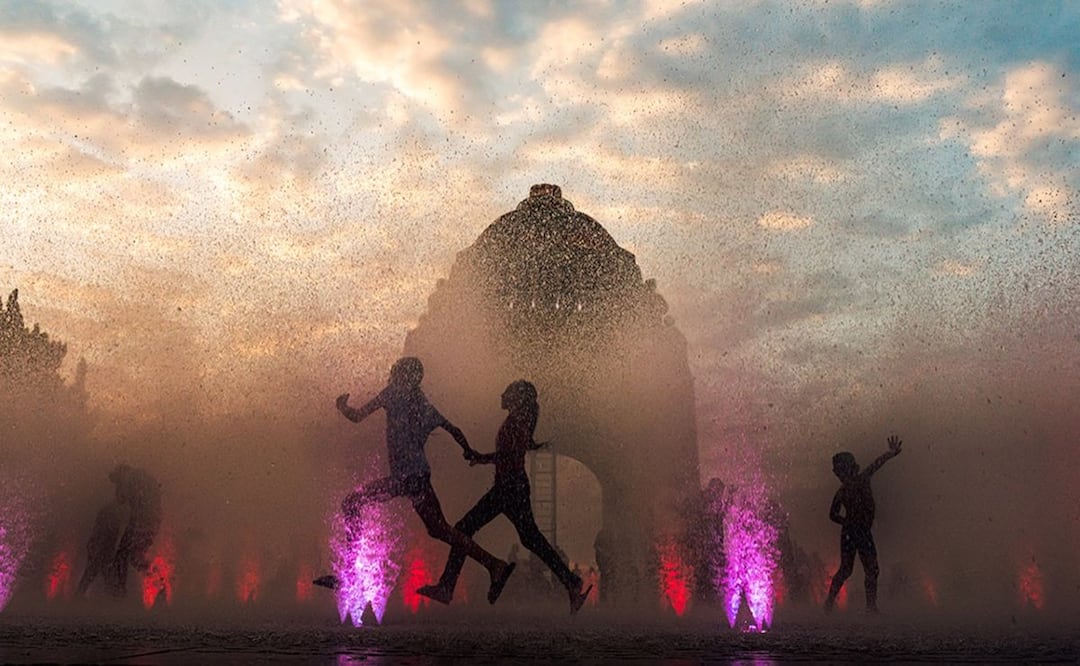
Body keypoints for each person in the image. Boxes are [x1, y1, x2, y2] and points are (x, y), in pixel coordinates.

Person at [315, 356, 515, 603]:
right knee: (439, 529)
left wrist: (342, 406)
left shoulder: (392, 393)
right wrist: (468, 451)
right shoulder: (424, 403)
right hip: (419, 476)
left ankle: (348, 574)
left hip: (405, 478)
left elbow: (357, 416)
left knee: (352, 503)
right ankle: (494, 565)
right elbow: (453, 429)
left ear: (400, 374)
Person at [417, 380, 591, 613]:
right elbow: (514, 451)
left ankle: (448, 586)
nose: (502, 394)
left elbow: (509, 455)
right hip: (512, 487)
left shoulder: (516, 422)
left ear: (517, 398)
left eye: (507, 392)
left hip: (508, 488)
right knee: (530, 539)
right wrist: (483, 458)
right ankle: (571, 582)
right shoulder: (519, 421)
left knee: (464, 528)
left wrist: (481, 458)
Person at [824, 435, 903, 613]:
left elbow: (832, 515)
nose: (839, 475)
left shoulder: (847, 487)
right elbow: (832, 515)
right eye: (838, 472)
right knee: (867, 569)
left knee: (852, 569)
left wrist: (846, 521)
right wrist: (890, 453)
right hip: (858, 531)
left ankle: (832, 604)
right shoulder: (854, 484)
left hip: (853, 531)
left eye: (840, 471)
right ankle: (868, 607)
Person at [108, 463, 163, 596]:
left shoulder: (129, 478)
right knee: (131, 555)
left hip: (141, 520)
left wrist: (119, 486)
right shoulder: (141, 475)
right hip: (151, 520)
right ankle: (160, 582)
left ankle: (121, 590)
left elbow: (121, 499)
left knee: (126, 555)